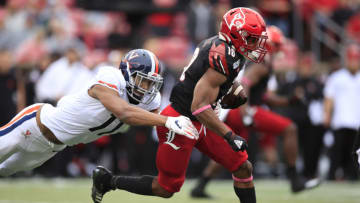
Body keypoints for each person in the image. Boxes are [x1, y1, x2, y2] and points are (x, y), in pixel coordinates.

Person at [91, 7, 267, 203]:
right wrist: (230, 135)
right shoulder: (222, 55)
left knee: (243, 167)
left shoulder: (229, 50)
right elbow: (198, 107)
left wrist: (232, 89)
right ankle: (108, 181)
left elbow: (212, 85)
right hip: (181, 121)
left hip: (202, 120)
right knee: (166, 188)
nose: (254, 44)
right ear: (234, 33)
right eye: (250, 38)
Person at [0, 49, 198, 177]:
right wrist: (169, 121)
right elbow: (124, 112)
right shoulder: (110, 76)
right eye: (142, 80)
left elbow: (158, 126)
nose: (146, 87)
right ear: (127, 72)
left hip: (52, 148)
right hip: (34, 125)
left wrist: (189, 125)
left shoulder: (150, 100)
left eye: (151, 83)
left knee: (3, 171)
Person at [190, 26, 319, 198]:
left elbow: (263, 96)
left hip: (239, 110)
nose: (280, 49)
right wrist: (247, 113)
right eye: (278, 45)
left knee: (232, 153)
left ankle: (200, 186)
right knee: (290, 129)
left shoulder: (262, 62)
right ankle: (294, 179)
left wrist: (288, 101)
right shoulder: (262, 63)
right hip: (243, 111)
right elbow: (245, 84)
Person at [323, 44, 360, 180]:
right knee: (336, 153)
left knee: (354, 155)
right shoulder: (337, 77)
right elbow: (329, 98)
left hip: (357, 123)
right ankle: (332, 176)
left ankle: (352, 177)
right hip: (340, 121)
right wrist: (326, 114)